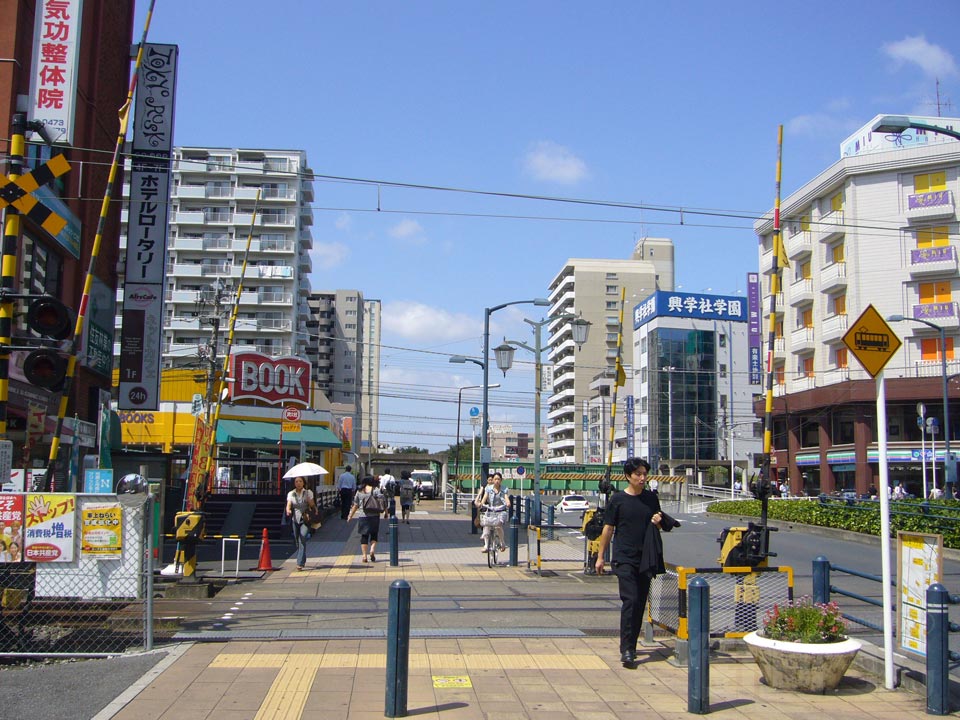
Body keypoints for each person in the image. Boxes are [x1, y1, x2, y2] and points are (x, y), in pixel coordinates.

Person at [595, 457, 678, 667]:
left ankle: (631, 643)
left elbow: (657, 525)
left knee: (640, 602)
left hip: (646, 557)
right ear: (628, 476)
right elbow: (608, 529)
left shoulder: (651, 499)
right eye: (638, 474)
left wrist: (658, 522)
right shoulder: (618, 500)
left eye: (644, 474)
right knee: (630, 600)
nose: (642, 478)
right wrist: (600, 556)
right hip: (624, 558)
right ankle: (627, 649)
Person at [348, 476, 385, 562]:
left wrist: (350, 516)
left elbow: (355, 505)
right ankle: (372, 550)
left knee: (364, 536)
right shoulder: (376, 490)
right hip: (375, 516)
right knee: (374, 534)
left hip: (363, 516)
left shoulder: (359, 491)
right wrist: (386, 512)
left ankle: (364, 556)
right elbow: (382, 500)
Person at [285, 476, 317, 571]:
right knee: (297, 540)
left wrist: (309, 500)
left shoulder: (308, 492)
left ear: (303, 483)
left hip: (306, 519)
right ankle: (303, 556)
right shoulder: (291, 493)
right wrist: (288, 510)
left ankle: (300, 563)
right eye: (296, 481)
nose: (298, 483)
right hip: (295, 519)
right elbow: (289, 505)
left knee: (302, 537)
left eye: (300, 481)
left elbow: (313, 505)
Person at [478, 472, 510, 554]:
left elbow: (506, 497)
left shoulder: (504, 489)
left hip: (500, 510)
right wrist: (481, 503)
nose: (497, 481)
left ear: (501, 480)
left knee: (498, 526)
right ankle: (486, 545)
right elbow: (485, 497)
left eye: (498, 479)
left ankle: (502, 542)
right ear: (493, 480)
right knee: (486, 525)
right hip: (491, 509)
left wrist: (508, 503)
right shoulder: (489, 488)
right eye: (495, 479)